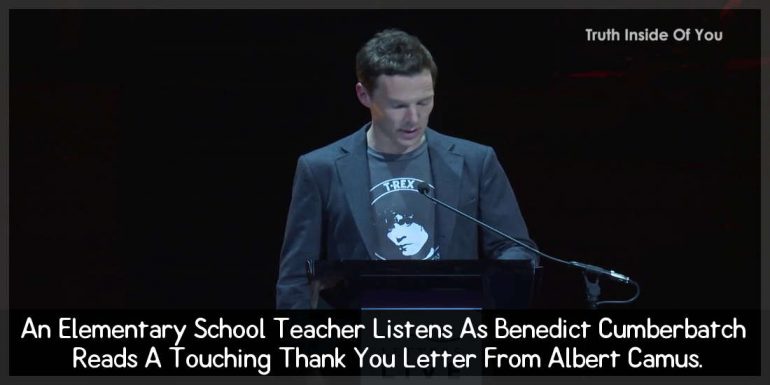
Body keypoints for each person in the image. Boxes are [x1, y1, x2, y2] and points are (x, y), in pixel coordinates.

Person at [276, 29, 538, 309]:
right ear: (364, 95)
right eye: (398, 106)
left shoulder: (476, 161)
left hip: (452, 338)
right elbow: (296, 280)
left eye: (424, 102)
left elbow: (515, 249)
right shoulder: (320, 169)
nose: (414, 118)